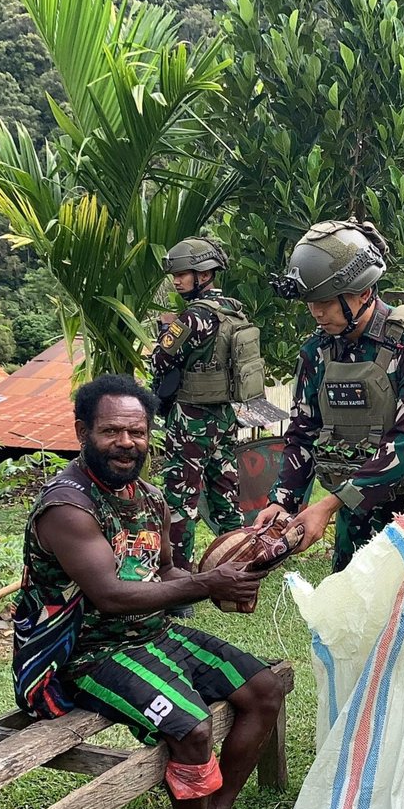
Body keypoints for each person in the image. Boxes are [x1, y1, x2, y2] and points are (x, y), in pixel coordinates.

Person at [10, 374, 283, 809]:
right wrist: (206, 584)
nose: (126, 443)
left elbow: (165, 573)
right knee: (192, 727)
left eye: (136, 432)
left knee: (265, 689)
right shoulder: (68, 507)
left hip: (149, 632)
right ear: (81, 432)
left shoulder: (149, 496)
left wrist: (226, 586)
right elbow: (110, 596)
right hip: (82, 654)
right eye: (111, 431)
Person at [252, 219, 404, 793]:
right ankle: (362, 738)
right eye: (311, 304)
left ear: (361, 293)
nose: (317, 314)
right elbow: (303, 434)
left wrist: (329, 504)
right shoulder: (317, 352)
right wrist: (283, 503)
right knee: (357, 621)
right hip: (355, 506)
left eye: (325, 304)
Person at [149, 237, 251, 574]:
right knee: (226, 496)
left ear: (204, 274)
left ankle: (179, 577)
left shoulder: (192, 318)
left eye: (182, 274)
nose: (176, 281)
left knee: (180, 500)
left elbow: (159, 360)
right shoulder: (235, 309)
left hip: (192, 418)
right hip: (224, 416)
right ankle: (241, 564)